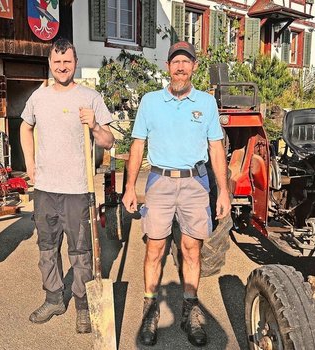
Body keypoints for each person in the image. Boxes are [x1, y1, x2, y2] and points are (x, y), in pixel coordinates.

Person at [121, 41, 231, 347]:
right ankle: (149, 310)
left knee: (191, 249)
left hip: (196, 184)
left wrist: (223, 190)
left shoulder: (207, 103)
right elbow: (138, 145)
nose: (180, 67)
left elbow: (216, 148)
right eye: (175, 62)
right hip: (160, 182)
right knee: (154, 249)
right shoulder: (150, 101)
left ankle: (189, 311)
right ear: (168, 67)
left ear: (194, 67)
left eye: (186, 62)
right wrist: (130, 187)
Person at [20, 38, 115, 333]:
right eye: (57, 62)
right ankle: (53, 299)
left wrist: (96, 126)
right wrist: (31, 164)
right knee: (47, 246)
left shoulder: (90, 97)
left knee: (81, 252)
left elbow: (109, 141)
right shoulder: (39, 97)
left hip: (78, 188)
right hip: (46, 188)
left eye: (68, 62)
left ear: (75, 63)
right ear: (50, 63)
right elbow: (25, 127)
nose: (62, 67)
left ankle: (83, 305)